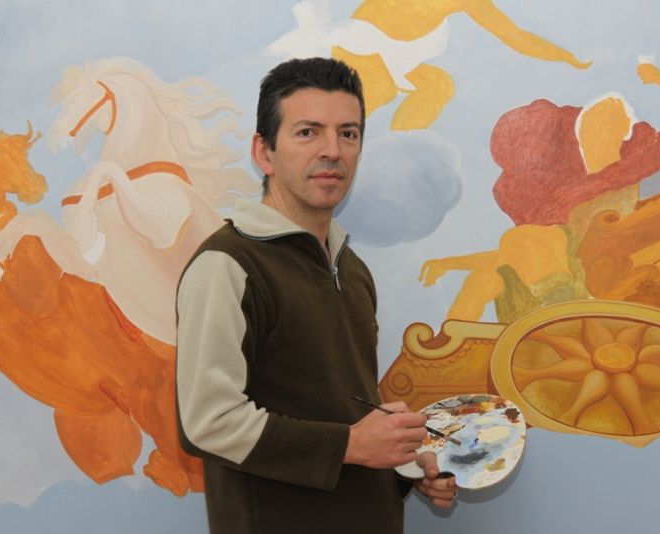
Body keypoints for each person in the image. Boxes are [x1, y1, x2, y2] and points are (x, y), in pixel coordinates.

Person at [176, 57, 456, 533]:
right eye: (308, 132)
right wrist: (352, 444)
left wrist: (407, 467)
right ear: (264, 152)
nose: (332, 151)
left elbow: (345, 418)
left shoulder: (353, 269)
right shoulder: (227, 265)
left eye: (348, 133)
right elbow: (208, 423)